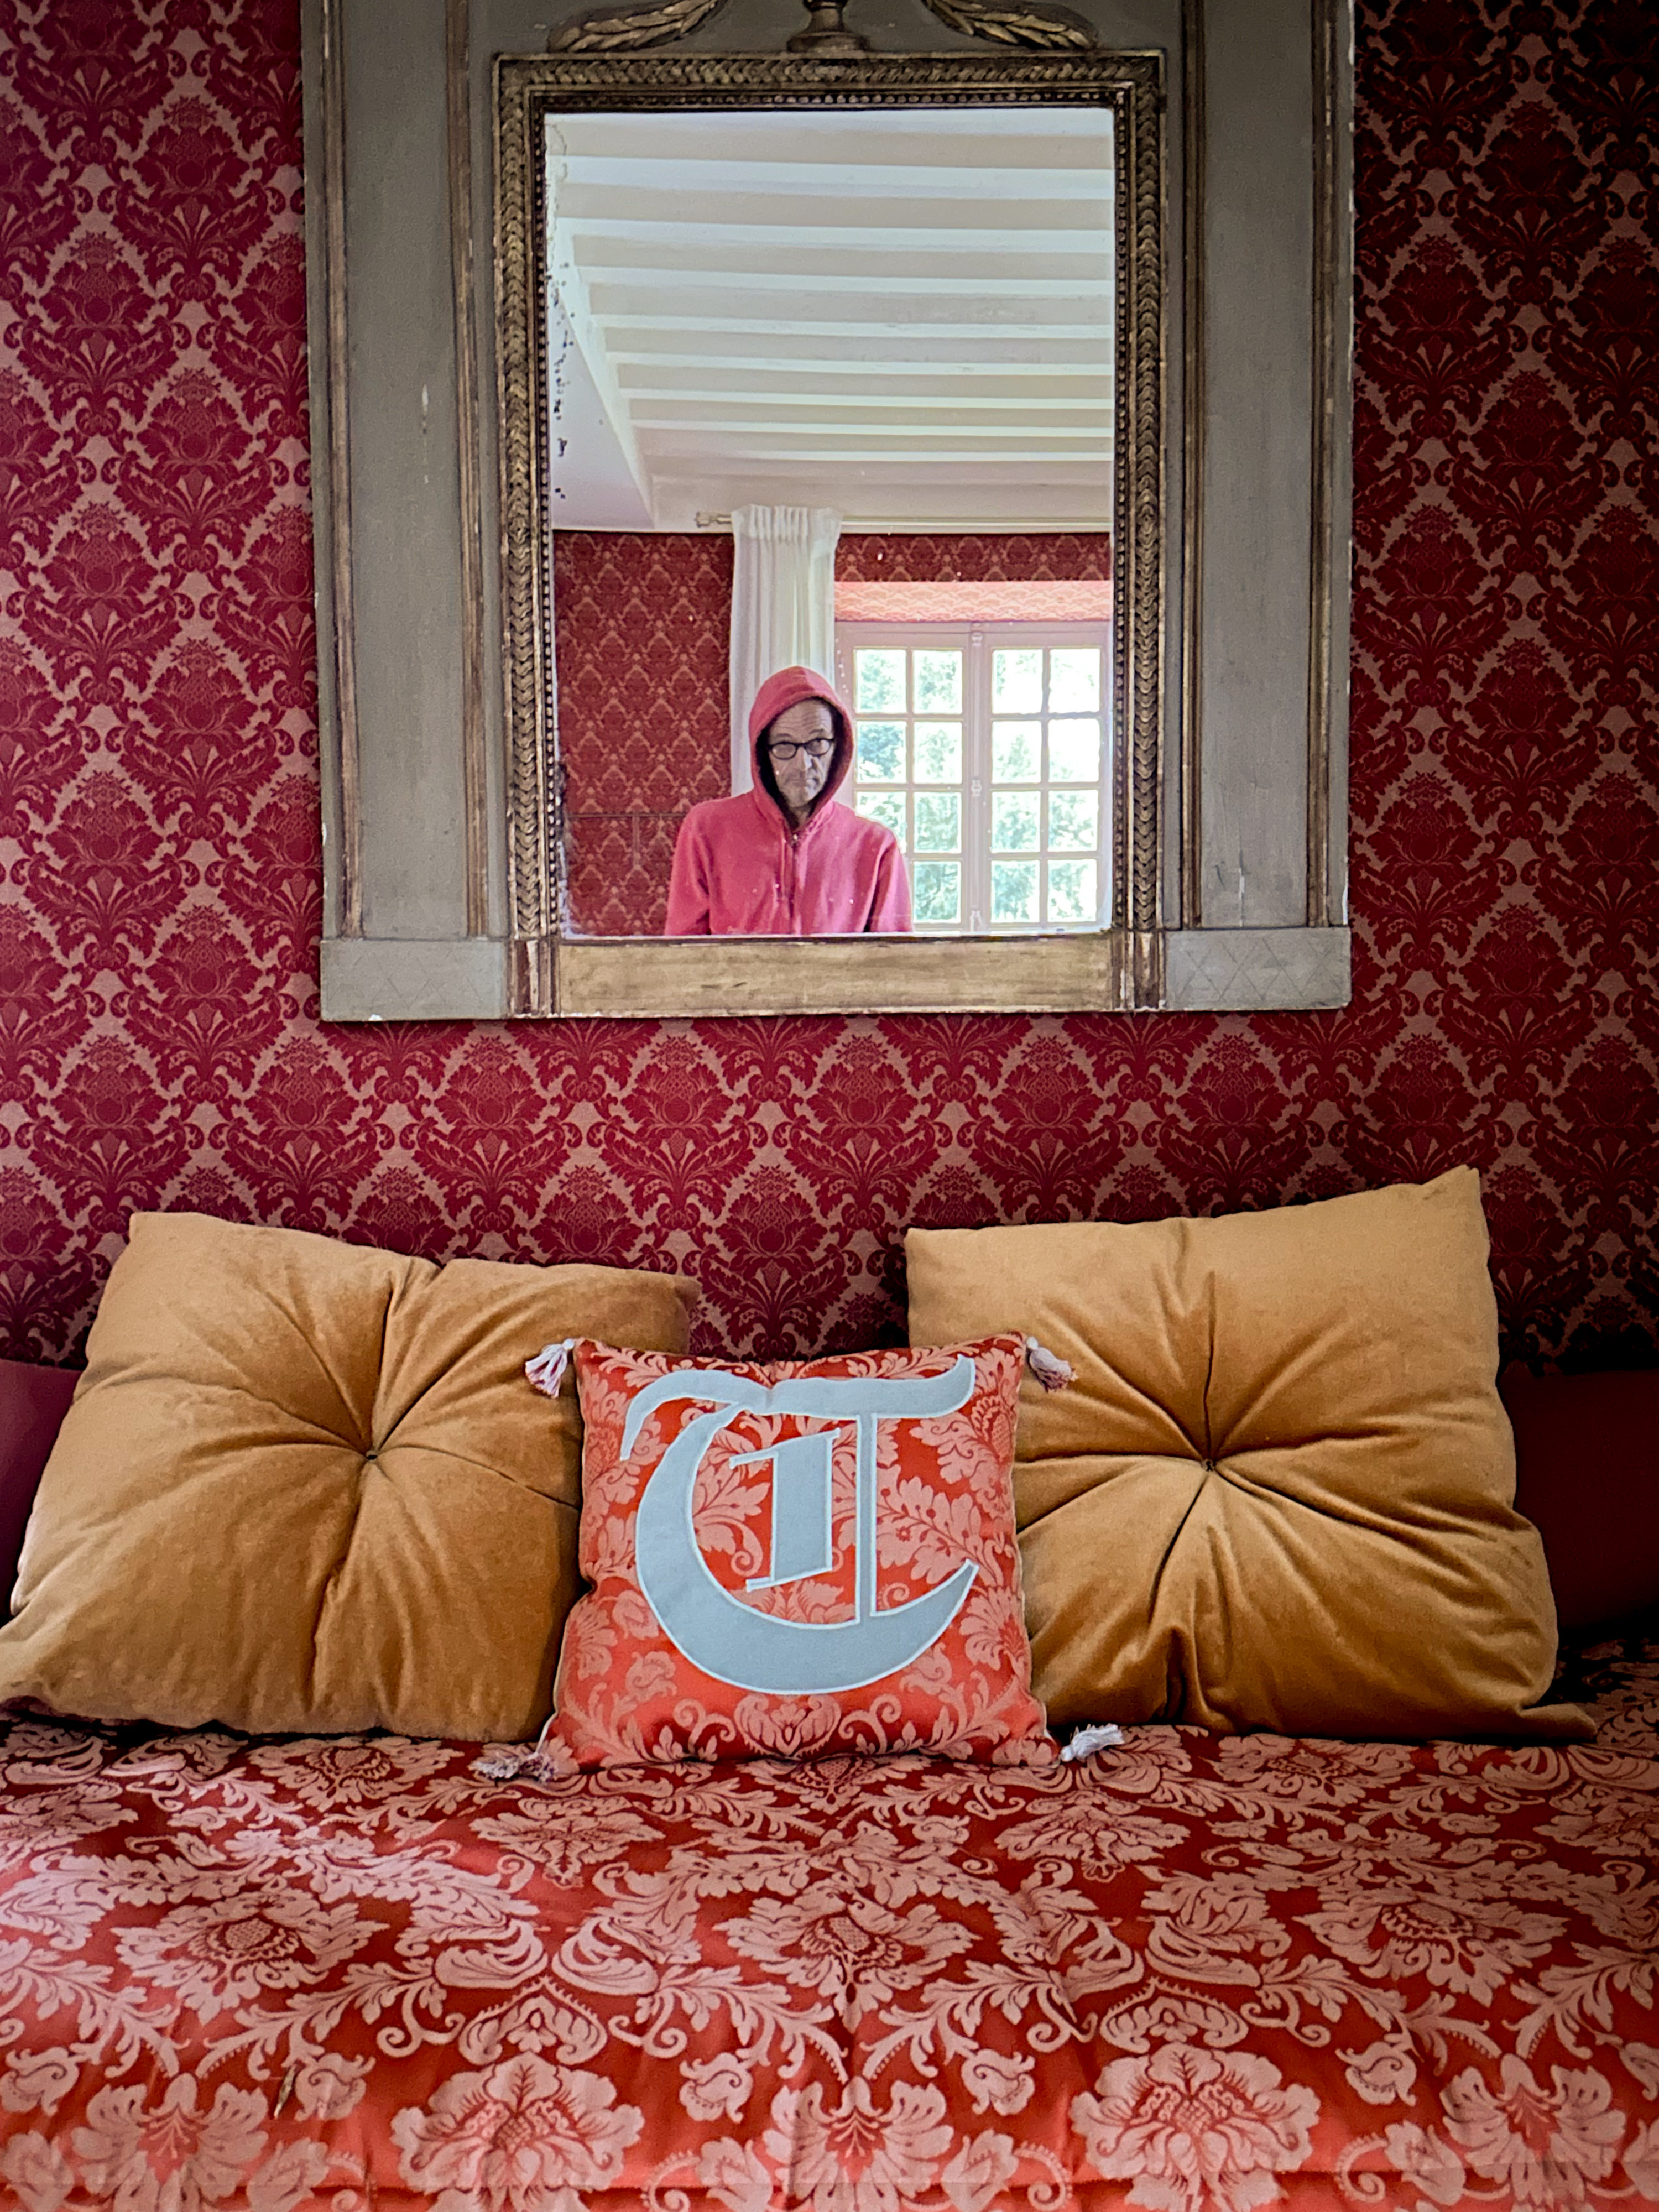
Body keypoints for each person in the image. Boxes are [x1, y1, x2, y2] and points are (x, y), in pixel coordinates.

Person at [664, 665, 911, 936]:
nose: (803, 765)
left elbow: (892, 959)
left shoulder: (876, 847)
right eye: (784, 746)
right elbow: (683, 952)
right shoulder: (707, 830)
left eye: (818, 743)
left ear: (838, 746)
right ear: (762, 751)